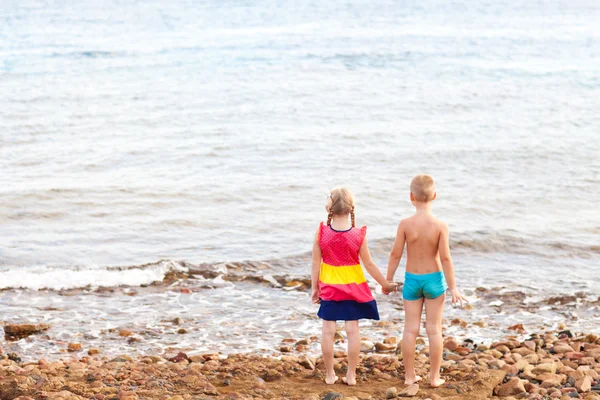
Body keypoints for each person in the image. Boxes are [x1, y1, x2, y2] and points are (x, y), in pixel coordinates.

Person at [385, 174, 467, 388]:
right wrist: (453, 287)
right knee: (434, 329)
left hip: (412, 280)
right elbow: (446, 258)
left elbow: (395, 254)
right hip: (434, 281)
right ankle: (434, 377)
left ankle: (410, 376)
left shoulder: (405, 224)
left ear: (411, 196)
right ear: (435, 196)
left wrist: (388, 279)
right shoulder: (440, 225)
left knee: (410, 328)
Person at [311, 187, 397, 386]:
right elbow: (369, 264)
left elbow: (315, 263)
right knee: (352, 330)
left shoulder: (322, 232)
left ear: (328, 207)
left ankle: (330, 374)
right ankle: (351, 375)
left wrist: (315, 288)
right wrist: (384, 283)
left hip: (330, 287)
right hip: (353, 287)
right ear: (352, 209)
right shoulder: (359, 234)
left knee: (327, 331)